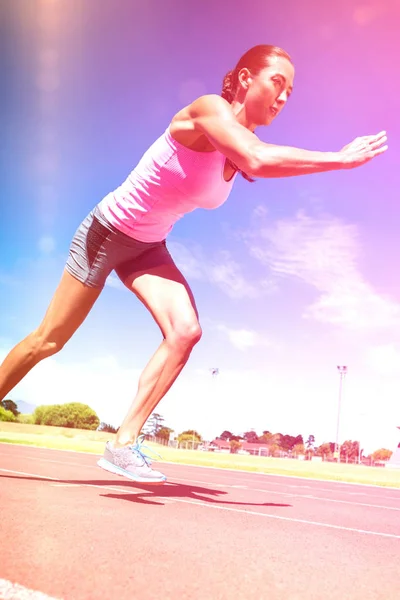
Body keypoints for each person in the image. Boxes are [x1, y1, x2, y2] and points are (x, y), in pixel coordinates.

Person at [0, 44, 387, 484]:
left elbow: (256, 159)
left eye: (290, 93)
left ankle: (123, 444)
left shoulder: (241, 146)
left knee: (186, 331)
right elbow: (258, 159)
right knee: (48, 341)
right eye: (276, 83)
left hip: (149, 247)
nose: (282, 98)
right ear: (245, 79)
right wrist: (341, 159)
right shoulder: (208, 109)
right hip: (108, 231)